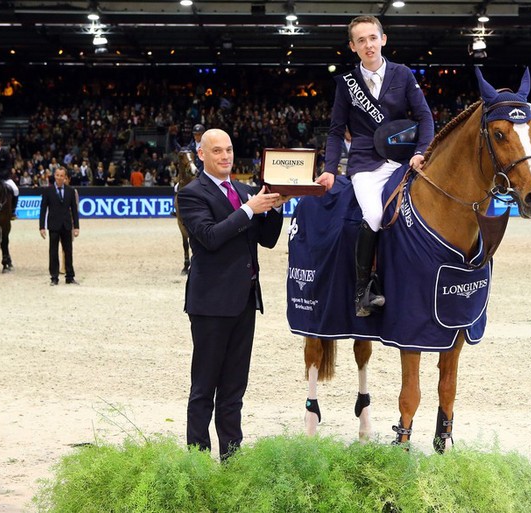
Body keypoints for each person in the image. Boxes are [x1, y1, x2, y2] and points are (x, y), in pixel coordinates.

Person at [177, 128, 288, 461]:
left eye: (228, 150)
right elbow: (210, 238)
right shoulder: (191, 194)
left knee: (234, 389)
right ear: (201, 155)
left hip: (244, 301)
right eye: (216, 151)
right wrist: (250, 209)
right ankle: (197, 460)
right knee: (204, 388)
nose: (225, 156)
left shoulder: (243, 190)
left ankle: (232, 460)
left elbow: (265, 240)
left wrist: (275, 208)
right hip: (210, 304)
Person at [315, 15, 434, 317]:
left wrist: (421, 151)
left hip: (403, 158)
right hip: (365, 163)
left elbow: (425, 118)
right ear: (352, 47)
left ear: (383, 39)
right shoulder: (346, 84)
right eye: (361, 41)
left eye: (372, 38)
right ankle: (362, 291)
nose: (368, 45)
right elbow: (334, 130)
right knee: (374, 214)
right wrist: (330, 168)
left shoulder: (403, 74)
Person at [39, 167, 79, 285]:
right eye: (57, 175)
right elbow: (43, 209)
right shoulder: (48, 191)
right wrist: (42, 226)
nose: (59, 178)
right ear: (54, 176)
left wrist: (76, 226)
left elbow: (74, 211)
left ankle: (70, 276)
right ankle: (54, 277)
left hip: (67, 225)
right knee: (53, 252)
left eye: (62, 176)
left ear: (65, 177)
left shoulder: (71, 191)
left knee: (68, 251)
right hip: (54, 225)